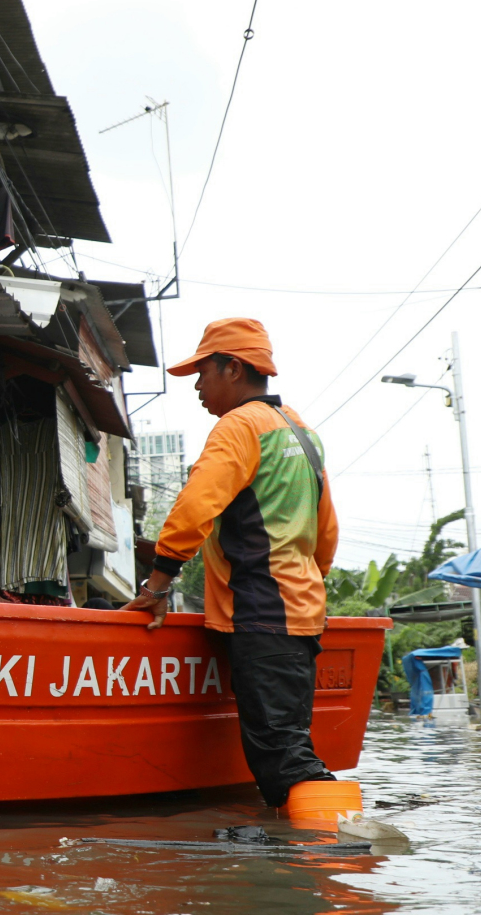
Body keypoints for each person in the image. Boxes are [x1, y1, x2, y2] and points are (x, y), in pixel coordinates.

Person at [122, 318, 341, 811]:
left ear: (233, 368)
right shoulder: (302, 431)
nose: (197, 386)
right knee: (286, 743)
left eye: (203, 373)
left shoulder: (238, 427)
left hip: (262, 613)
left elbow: (195, 509)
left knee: (284, 756)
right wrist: (302, 588)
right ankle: (318, 848)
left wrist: (157, 585)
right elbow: (325, 536)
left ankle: (333, 854)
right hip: (300, 615)